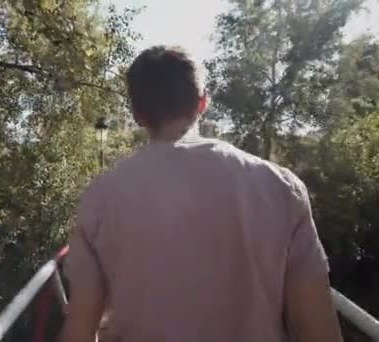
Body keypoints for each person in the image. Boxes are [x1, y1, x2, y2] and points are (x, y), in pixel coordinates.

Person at [59, 45, 343, 342]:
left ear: (137, 114)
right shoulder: (282, 187)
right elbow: (317, 328)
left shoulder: (100, 198)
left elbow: (80, 330)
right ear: (202, 102)